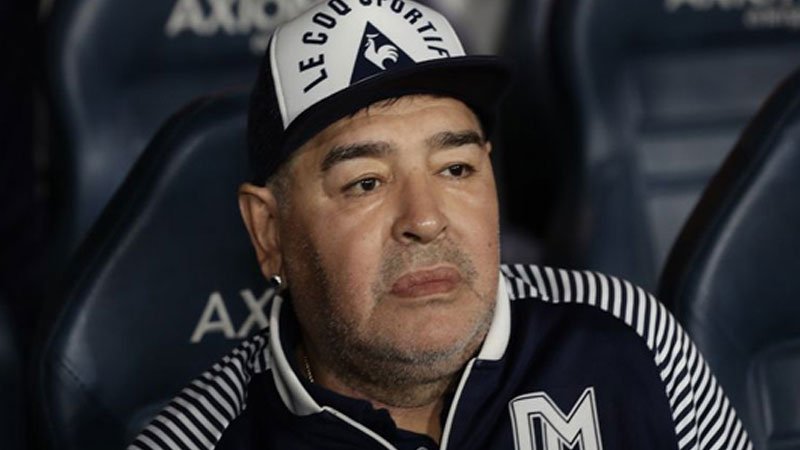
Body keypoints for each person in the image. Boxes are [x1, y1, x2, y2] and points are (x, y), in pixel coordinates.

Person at [130, 1, 752, 449]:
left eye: (456, 168)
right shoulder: (194, 440)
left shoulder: (628, 332)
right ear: (269, 231)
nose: (425, 220)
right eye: (366, 182)